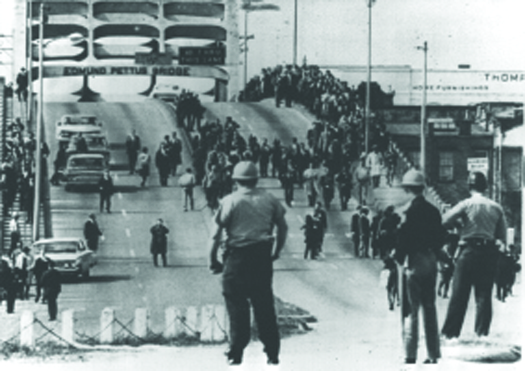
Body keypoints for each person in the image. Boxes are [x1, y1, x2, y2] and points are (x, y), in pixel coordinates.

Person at [208, 161, 288, 366]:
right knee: (264, 305)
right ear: (256, 179)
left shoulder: (230, 201)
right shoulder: (269, 200)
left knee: (236, 305)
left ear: (235, 180)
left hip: (236, 258)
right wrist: (276, 252)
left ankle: (236, 351)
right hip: (261, 257)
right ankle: (272, 352)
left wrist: (212, 260)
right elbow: (282, 227)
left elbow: (215, 235)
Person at [441, 171, 507, 339]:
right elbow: (502, 236)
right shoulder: (496, 207)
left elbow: (445, 220)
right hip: (489, 252)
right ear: (485, 187)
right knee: (484, 295)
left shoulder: (465, 204)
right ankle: (481, 334)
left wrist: (460, 225)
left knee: (459, 295)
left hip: (468, 251)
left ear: (470, 186)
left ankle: (450, 334)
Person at [394, 169, 444, 364]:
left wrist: (398, 258)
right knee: (430, 308)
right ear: (422, 188)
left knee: (411, 310)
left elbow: (403, 240)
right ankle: (433, 354)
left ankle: (410, 353)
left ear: (407, 188)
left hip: (412, 261)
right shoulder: (433, 211)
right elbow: (440, 237)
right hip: (430, 260)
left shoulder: (407, 212)